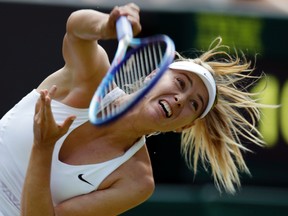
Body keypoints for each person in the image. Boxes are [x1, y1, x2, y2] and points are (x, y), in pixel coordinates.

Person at [0, 3, 274, 216]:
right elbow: (76, 29)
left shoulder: (136, 181)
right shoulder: (92, 79)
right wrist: (106, 25)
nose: (181, 98)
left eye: (194, 104)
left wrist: (43, 147)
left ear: (183, 126)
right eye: (180, 82)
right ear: (152, 74)